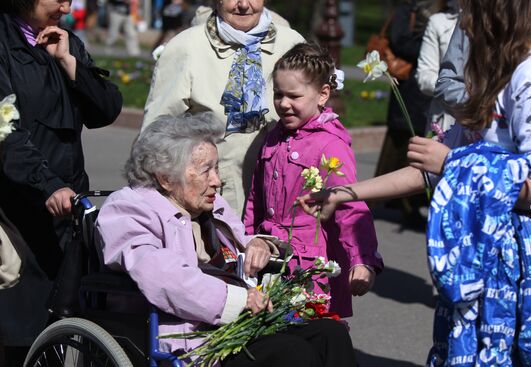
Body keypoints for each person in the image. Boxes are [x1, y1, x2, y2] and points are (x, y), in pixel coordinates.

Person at [300, 0, 531, 364]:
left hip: (520, 271)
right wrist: (344, 193)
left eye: (471, 13)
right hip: (482, 257)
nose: (463, 24)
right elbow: (429, 171)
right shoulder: (496, 76)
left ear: (498, 14)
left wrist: (454, 162)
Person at [96, 113, 357, 367]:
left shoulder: (210, 203)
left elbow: (240, 241)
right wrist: (236, 300)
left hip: (239, 323)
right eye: (205, 170)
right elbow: (160, 274)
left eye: (217, 168)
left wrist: (258, 244)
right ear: (165, 178)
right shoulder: (128, 209)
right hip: (193, 338)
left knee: (329, 333)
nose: (217, 181)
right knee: (293, 353)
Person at [0, 0, 122, 365]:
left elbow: (106, 110)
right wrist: (47, 183)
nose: (67, 8)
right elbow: (5, 133)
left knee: (61, 323)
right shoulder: (4, 44)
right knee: (18, 327)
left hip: (66, 206)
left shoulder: (65, 41)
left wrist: (69, 63)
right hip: (16, 208)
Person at [243, 42, 383, 318]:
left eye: (294, 96)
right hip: (271, 261)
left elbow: (351, 208)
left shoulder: (330, 146)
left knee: (310, 339)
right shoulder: (274, 136)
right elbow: (255, 201)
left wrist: (362, 260)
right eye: (278, 94)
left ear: (323, 94)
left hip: (310, 269)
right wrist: (247, 239)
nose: (283, 104)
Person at [142, 0, 304, 217]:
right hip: (216, 202)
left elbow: (315, 120)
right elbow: (155, 137)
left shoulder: (291, 43)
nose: (244, 5)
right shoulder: (186, 47)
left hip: (286, 198)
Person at [372, 0, 438, 229]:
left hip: (426, 93)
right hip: (409, 89)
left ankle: (415, 203)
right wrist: (432, 45)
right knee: (404, 147)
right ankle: (404, 205)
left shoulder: (441, 9)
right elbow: (399, 41)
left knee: (421, 144)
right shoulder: (408, 8)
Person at [415, 0, 459, 135]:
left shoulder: (496, 21)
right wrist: (458, 92)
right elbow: (424, 76)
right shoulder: (438, 22)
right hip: (446, 122)